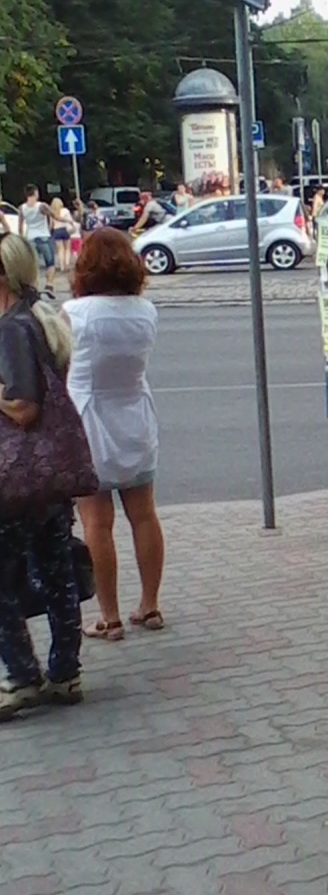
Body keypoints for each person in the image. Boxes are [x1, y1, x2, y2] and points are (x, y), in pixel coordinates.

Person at [63, 228, 165, 641]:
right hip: (135, 413)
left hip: (88, 418)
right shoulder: (145, 311)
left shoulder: (75, 313)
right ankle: (150, 604)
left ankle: (110, 616)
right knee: (144, 515)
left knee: (97, 522)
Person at [0, 233, 83, 720]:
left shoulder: (11, 327)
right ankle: (65, 672)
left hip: (16, 477)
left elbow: (24, 407)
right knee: (56, 572)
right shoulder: (41, 315)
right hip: (48, 473)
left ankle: (23, 676)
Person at [19, 185, 56, 295]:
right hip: (43, 236)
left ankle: (34, 287)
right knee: (50, 263)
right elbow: (54, 215)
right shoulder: (41, 206)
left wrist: (22, 239)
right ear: (35, 193)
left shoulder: (22, 208)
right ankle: (49, 285)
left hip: (30, 237)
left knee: (34, 265)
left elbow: (20, 226)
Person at [50, 197, 77, 274]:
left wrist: (50, 231)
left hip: (56, 231)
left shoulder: (52, 212)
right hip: (65, 230)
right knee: (67, 249)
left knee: (60, 250)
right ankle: (67, 264)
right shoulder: (65, 211)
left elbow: (51, 225)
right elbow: (70, 221)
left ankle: (61, 267)